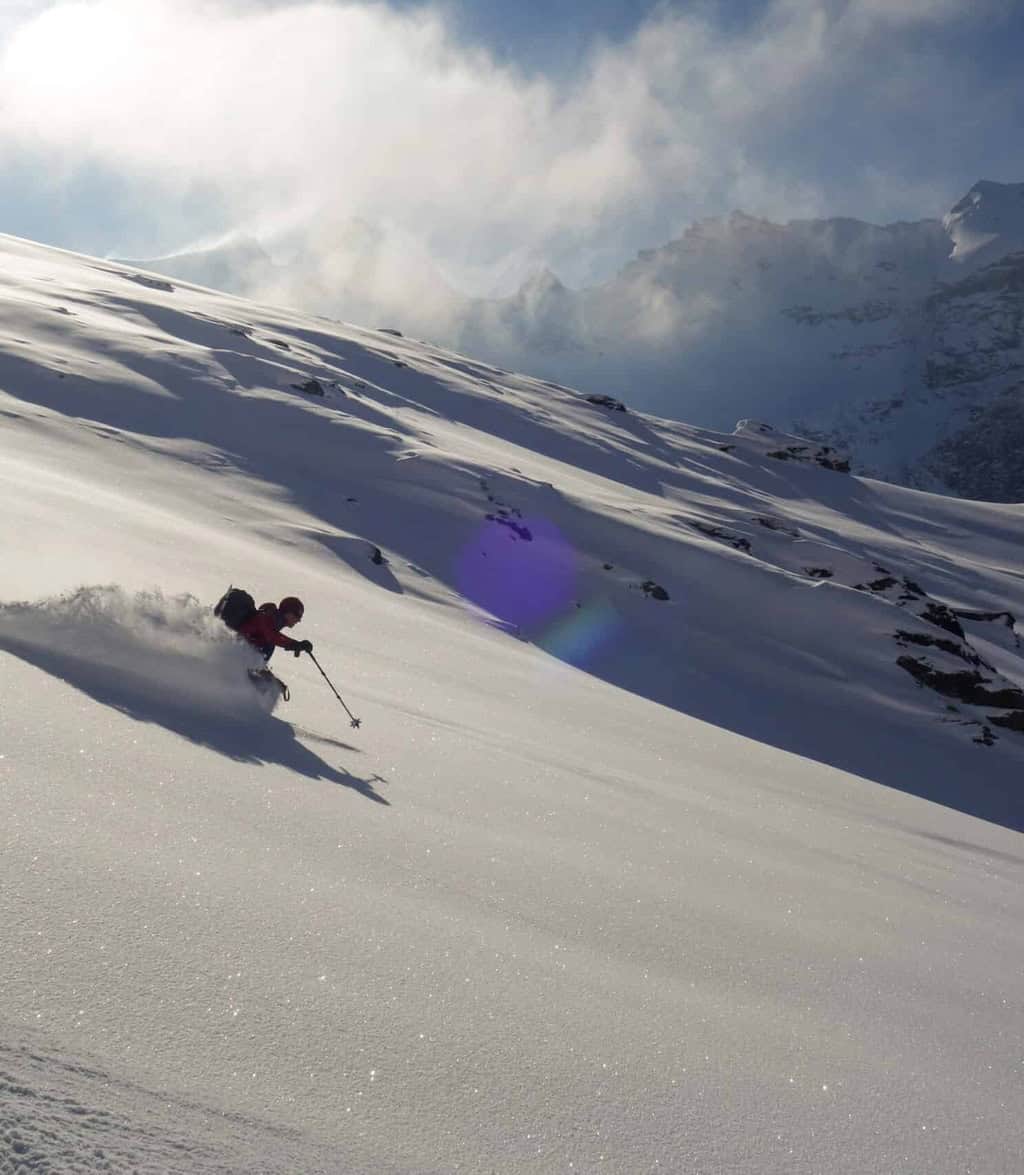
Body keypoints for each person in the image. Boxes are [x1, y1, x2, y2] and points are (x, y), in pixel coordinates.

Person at [237, 595, 313, 663]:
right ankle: (255, 668)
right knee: (269, 644)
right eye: (297, 615)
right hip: (240, 645)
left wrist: (296, 644)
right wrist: (295, 644)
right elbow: (273, 637)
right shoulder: (266, 617)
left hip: (244, 647)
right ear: (288, 612)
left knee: (269, 644)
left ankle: (257, 666)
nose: (298, 620)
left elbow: (274, 636)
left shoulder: (274, 620)